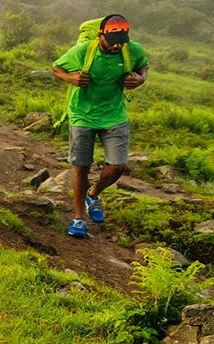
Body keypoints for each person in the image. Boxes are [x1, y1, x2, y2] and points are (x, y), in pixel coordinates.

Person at [49, 14, 149, 238]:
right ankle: (78, 218)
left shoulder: (132, 50)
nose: (117, 46)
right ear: (100, 35)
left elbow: (144, 66)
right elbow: (57, 68)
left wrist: (140, 79)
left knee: (119, 165)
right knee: (81, 167)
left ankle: (93, 194)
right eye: (113, 41)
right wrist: (70, 78)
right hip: (82, 114)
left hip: (114, 115)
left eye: (122, 41)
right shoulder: (84, 51)